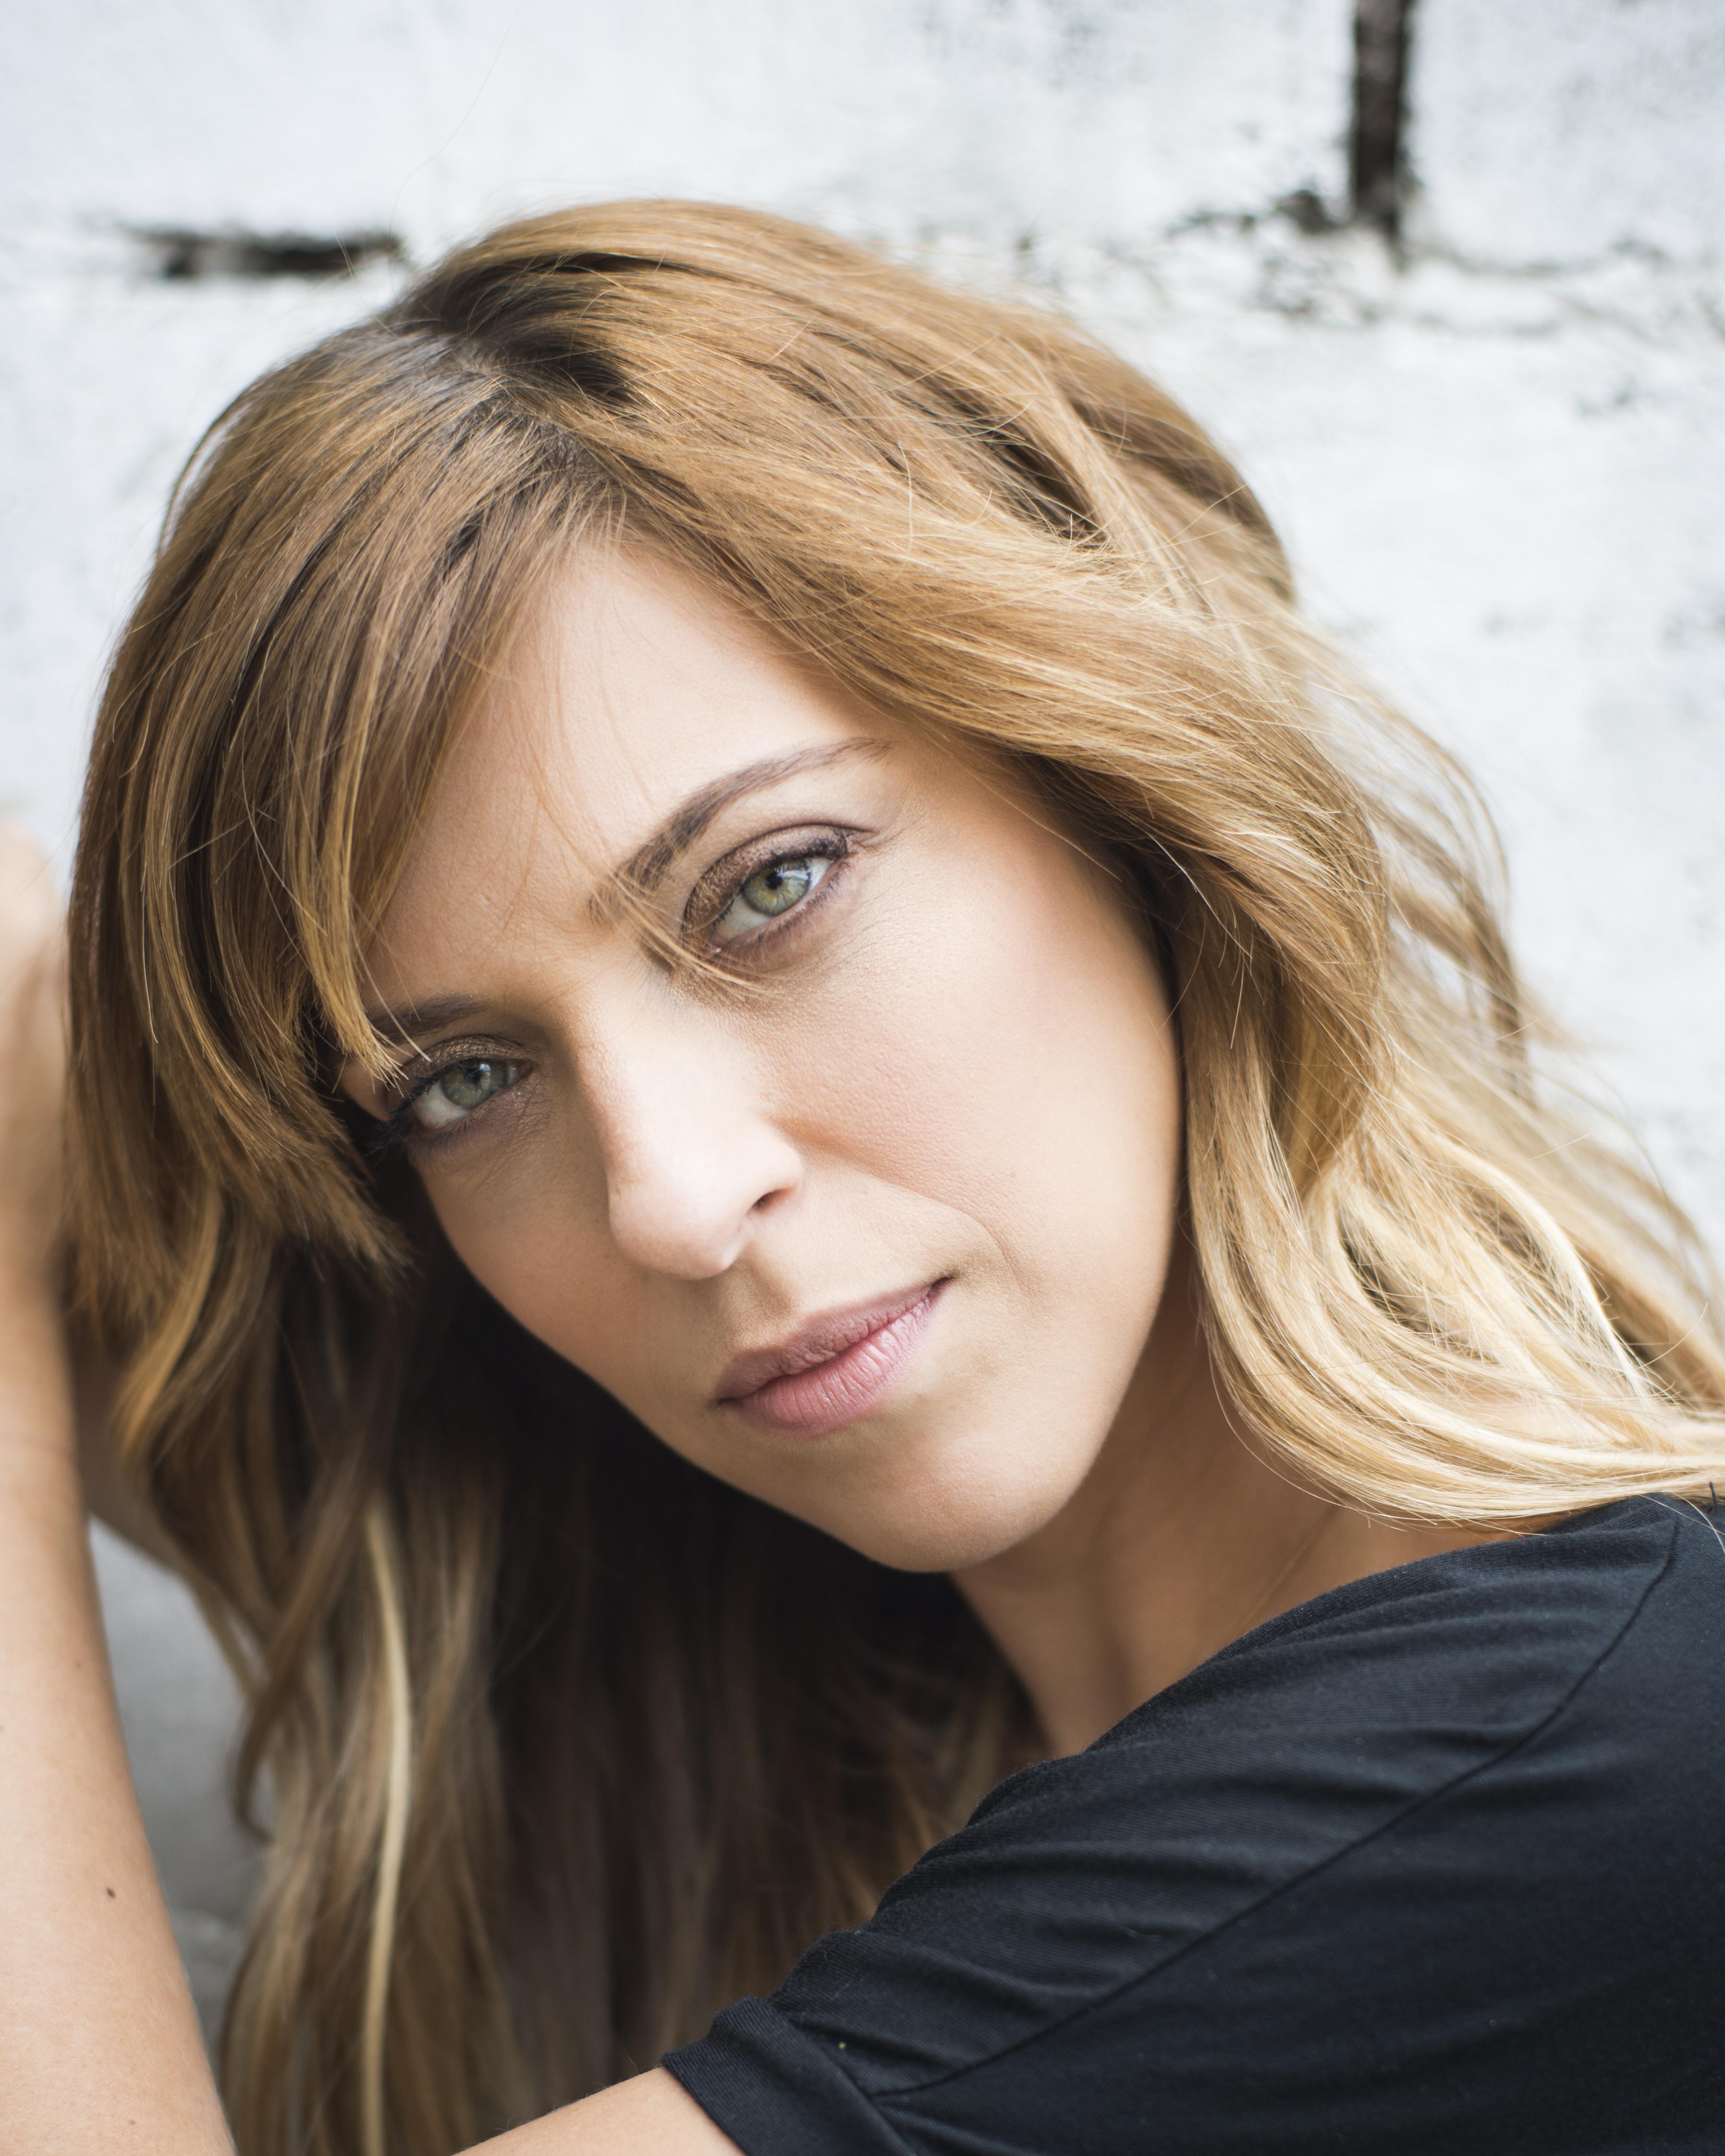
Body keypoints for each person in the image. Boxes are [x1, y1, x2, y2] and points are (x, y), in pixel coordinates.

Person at [1, 198, 1721, 2156]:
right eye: (463, 1079)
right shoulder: (749, 1661)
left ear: (1122, 790)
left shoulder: (1602, 1750)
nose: (667, 1200)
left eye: (772, 887)